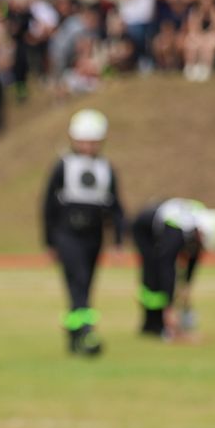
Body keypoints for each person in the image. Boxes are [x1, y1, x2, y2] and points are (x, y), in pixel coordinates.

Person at [41, 108, 124, 356]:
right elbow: (47, 206)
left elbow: (115, 208)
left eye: (93, 142)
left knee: (85, 285)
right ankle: (87, 333)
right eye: (84, 141)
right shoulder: (63, 166)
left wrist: (118, 241)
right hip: (67, 234)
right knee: (77, 281)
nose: (88, 147)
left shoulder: (106, 168)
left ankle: (74, 335)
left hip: (94, 235)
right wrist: (49, 242)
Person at [131, 198, 215, 338]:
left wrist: (186, 287)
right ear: (202, 231)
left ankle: (161, 323)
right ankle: (153, 325)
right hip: (145, 231)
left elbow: (194, 258)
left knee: (165, 280)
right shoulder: (176, 230)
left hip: (162, 231)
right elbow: (167, 265)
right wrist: (169, 308)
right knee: (154, 275)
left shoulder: (198, 227)